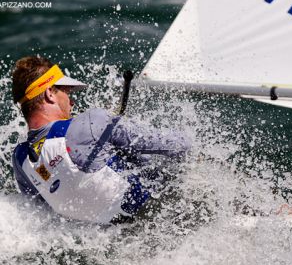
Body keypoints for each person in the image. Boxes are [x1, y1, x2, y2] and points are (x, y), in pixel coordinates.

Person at [11, 56, 190, 223]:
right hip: (162, 213)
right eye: (66, 93)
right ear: (50, 93)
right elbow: (178, 146)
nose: (71, 102)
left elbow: (42, 215)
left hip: (111, 237)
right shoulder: (90, 122)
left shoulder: (21, 160)